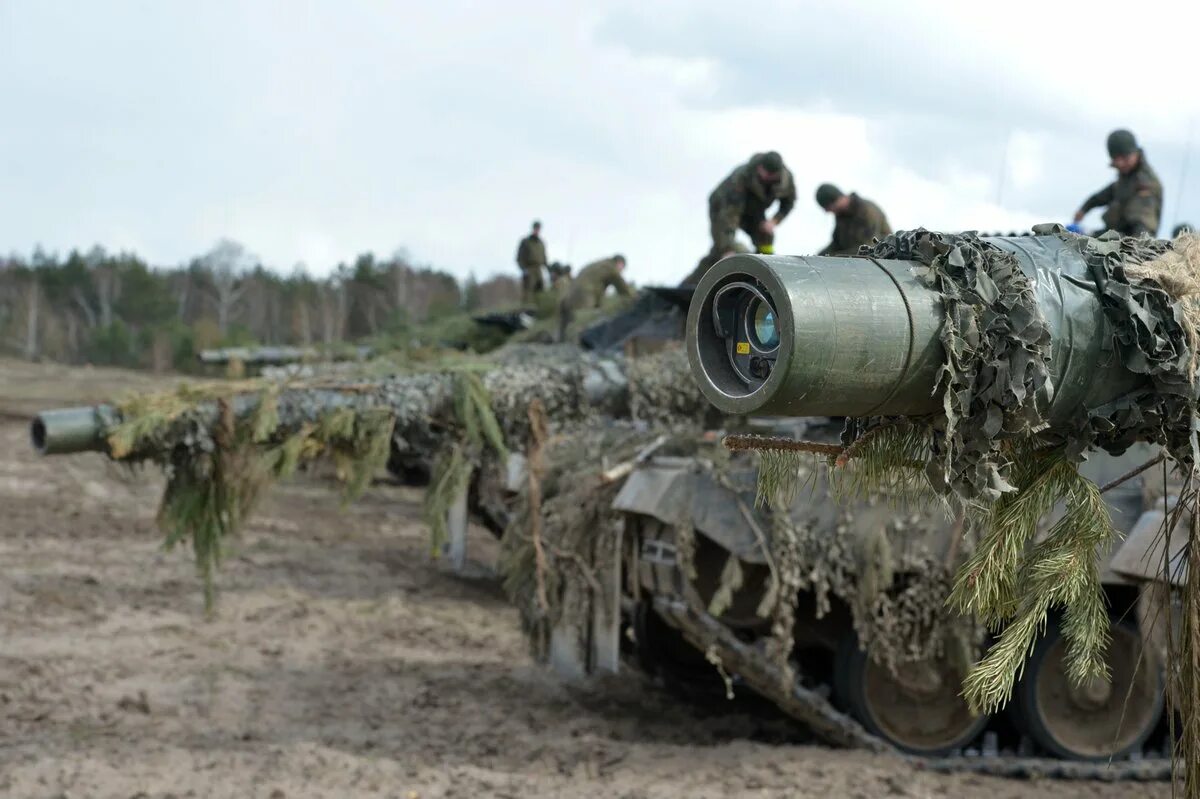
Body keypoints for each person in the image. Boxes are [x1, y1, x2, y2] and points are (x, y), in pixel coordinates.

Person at [685, 151, 796, 285]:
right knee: (721, 249)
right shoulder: (741, 177)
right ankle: (692, 284)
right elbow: (729, 217)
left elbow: (788, 202)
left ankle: (765, 272)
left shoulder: (786, 180)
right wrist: (727, 249)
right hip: (723, 205)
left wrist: (774, 221)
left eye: (770, 175)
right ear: (759, 167)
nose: (766, 176)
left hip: (753, 209)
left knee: (765, 235)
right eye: (764, 172)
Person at [1073, 130, 1162, 237]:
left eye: (1125, 158)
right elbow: (1101, 196)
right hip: (1116, 234)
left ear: (1135, 154)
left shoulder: (1145, 183)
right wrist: (1084, 209)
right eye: (1116, 159)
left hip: (1133, 241)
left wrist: (1135, 247)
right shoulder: (1125, 179)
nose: (1120, 163)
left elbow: (1142, 224)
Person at [558, 254, 633, 342]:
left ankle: (562, 342)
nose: (621, 271)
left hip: (572, 292)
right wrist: (633, 297)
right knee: (584, 318)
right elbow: (622, 286)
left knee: (570, 318)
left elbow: (599, 288)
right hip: (585, 293)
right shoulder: (610, 267)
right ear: (619, 263)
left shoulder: (601, 265)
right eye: (622, 268)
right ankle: (575, 342)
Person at [814, 184, 892, 256]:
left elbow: (869, 248)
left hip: (880, 261)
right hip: (854, 261)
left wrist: (834, 256)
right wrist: (818, 257)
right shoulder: (841, 215)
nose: (828, 211)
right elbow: (836, 244)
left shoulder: (867, 211)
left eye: (829, 207)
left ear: (837, 199)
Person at [515, 220, 548, 303]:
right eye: (535, 228)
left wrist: (547, 267)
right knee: (528, 292)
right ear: (533, 228)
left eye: (538, 229)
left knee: (540, 290)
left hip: (539, 269)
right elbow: (519, 257)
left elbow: (544, 257)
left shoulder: (541, 243)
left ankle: (539, 308)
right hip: (529, 269)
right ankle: (526, 309)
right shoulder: (526, 242)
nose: (537, 230)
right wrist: (523, 269)